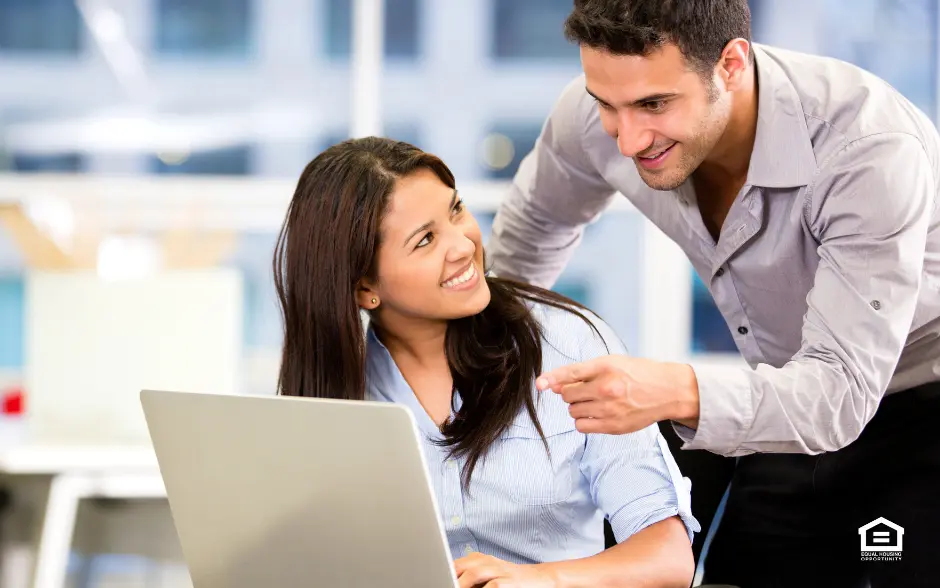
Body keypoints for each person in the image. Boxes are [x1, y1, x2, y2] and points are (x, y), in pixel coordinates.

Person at [488, 0, 940, 586]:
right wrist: (483, 353)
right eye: (607, 105)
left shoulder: (864, 149)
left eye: (654, 104)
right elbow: (532, 231)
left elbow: (839, 393)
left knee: (896, 570)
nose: (627, 139)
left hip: (917, 403)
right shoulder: (598, 115)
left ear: (731, 64)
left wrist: (670, 389)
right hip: (784, 396)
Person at [272, 136, 699, 588]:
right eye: (425, 240)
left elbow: (669, 558)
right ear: (364, 288)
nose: (463, 245)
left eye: (456, 211)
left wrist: (540, 580)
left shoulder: (568, 342)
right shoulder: (335, 390)